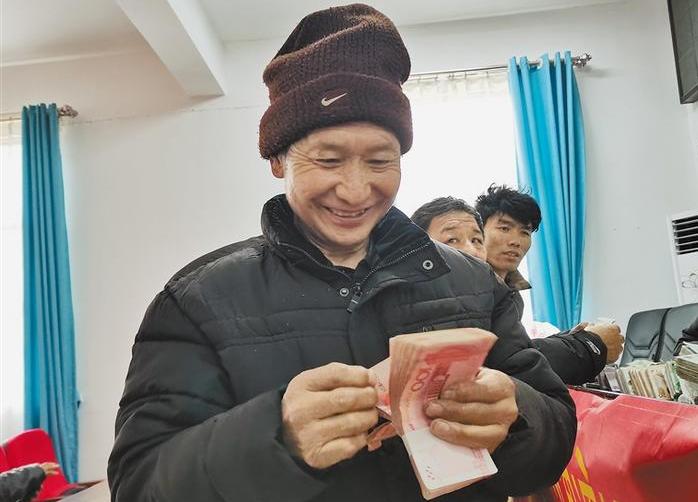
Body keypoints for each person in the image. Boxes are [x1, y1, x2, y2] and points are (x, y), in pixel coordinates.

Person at [108, 5, 575, 502]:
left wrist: (515, 417)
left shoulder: (473, 284)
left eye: (380, 161)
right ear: (277, 160)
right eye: (328, 159)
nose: (355, 191)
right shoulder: (198, 301)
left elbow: (554, 442)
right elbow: (140, 486)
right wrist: (275, 436)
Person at [412, 193, 624, 385]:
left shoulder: (508, 296)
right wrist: (590, 344)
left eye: (525, 232)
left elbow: (512, 353)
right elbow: (510, 367)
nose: (515, 241)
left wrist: (571, 338)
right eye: (504, 228)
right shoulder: (436, 294)